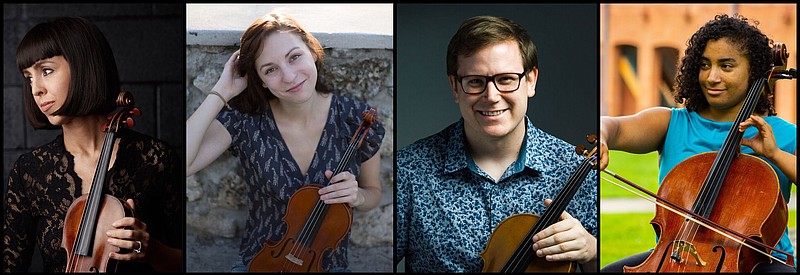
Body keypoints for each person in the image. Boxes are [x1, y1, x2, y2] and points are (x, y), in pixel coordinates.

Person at [185, 10, 385, 272]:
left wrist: (357, 196)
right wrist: (222, 91)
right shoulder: (246, 122)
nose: (289, 76)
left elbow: (373, 193)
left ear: (312, 52)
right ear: (262, 81)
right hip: (259, 262)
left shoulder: (355, 120)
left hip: (326, 265)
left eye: (295, 57)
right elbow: (185, 164)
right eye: (271, 70)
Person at [395, 15, 598, 272]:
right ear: (455, 87)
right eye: (475, 82)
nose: (491, 96)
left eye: (505, 79)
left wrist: (591, 252)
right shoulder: (410, 170)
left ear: (531, 81)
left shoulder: (575, 168)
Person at [599, 14, 796, 272]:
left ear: (755, 72)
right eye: (704, 65)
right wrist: (601, 135)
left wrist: (775, 154)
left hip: (758, 262)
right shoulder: (671, 123)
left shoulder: (783, 135)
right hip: (675, 255)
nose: (712, 77)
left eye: (726, 66)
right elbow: (613, 127)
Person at [3, 17, 183, 272]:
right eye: (29, 77)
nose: (36, 89)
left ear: (82, 66)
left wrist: (150, 249)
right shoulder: (29, 171)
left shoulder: (156, 159)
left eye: (46, 71)